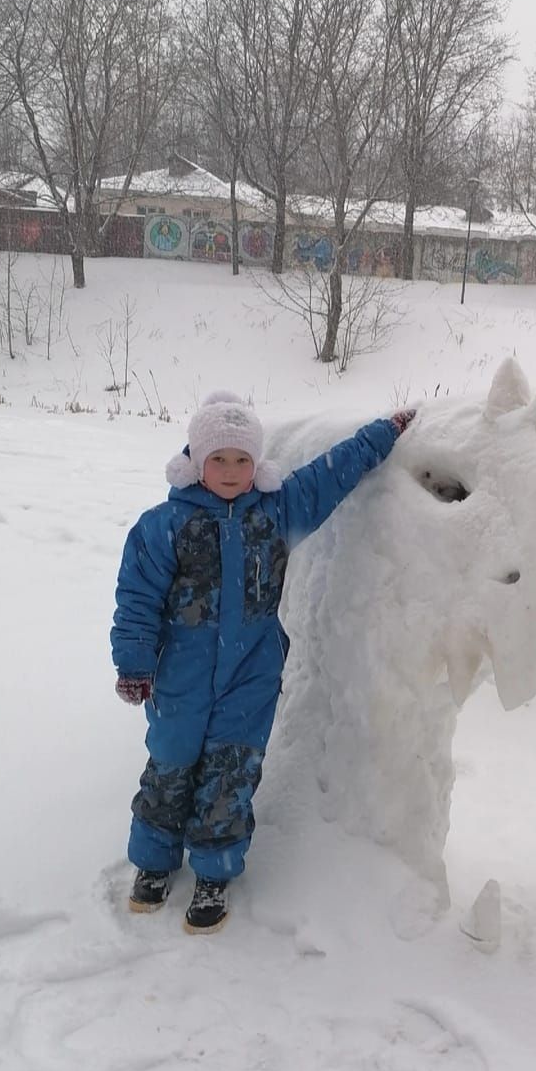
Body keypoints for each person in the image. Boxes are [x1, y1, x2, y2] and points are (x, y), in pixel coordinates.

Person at [111, 389, 416, 934]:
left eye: (242, 460)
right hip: (179, 678)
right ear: (196, 461)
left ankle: (213, 870)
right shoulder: (163, 526)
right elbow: (136, 600)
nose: (231, 471)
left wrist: (383, 433)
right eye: (219, 459)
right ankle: (154, 862)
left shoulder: (276, 512)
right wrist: (134, 665)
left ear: (258, 463)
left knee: (230, 773)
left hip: (250, 674)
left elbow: (331, 474)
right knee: (171, 767)